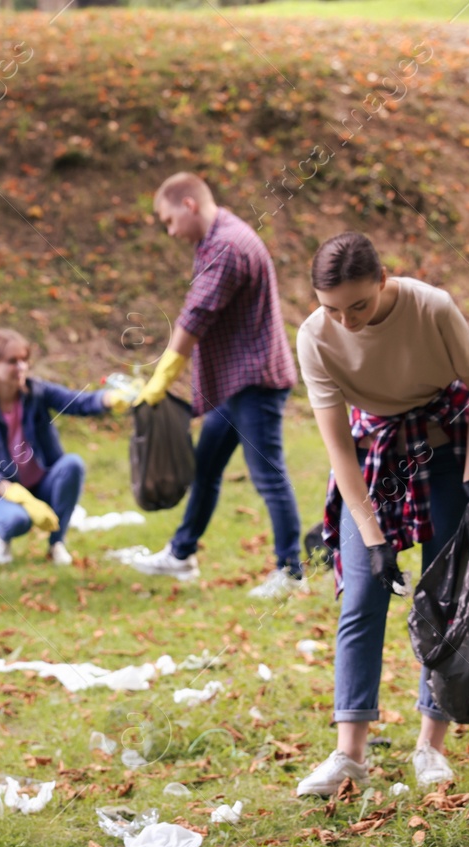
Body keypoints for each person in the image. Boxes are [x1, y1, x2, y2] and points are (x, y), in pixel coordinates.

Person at [291, 232, 469, 798]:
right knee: (362, 593)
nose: (346, 320)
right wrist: (370, 537)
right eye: (331, 308)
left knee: (446, 595)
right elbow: (339, 448)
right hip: (376, 459)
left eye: (359, 305)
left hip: (448, 450)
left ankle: (430, 745)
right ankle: (349, 755)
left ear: (384, 280)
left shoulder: (431, 307)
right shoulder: (315, 337)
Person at [126, 172, 306, 599]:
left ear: (189, 204)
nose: (170, 231)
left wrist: (162, 377)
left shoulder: (227, 245)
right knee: (205, 469)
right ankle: (182, 553)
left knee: (268, 475)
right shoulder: (214, 239)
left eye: (169, 221)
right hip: (235, 382)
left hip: (255, 381)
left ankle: (292, 572)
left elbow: (195, 316)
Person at [0, 327, 127, 566]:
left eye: (24, 360)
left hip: (43, 483)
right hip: (2, 494)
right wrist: (25, 501)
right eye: (12, 361)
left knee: (72, 465)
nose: (21, 367)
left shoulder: (36, 392)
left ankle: (56, 544)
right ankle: (2, 535)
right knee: (19, 520)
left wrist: (107, 399)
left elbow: (75, 402)